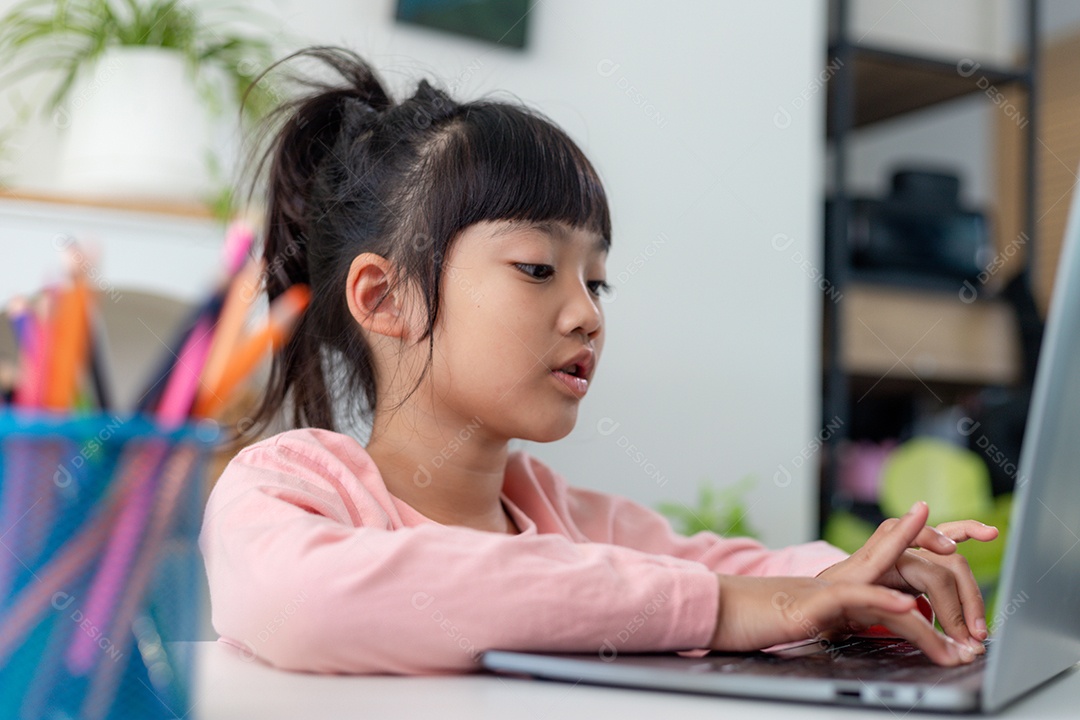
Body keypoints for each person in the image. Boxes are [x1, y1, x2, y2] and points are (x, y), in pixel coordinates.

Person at [198, 46, 998, 675]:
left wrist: (864, 574)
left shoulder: (574, 520)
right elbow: (307, 602)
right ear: (385, 299)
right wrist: (721, 610)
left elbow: (737, 566)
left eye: (598, 281)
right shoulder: (290, 489)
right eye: (537, 268)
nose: (587, 315)